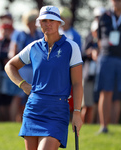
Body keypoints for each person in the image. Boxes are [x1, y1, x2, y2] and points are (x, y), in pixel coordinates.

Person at [5, 5, 83, 149]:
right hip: (34, 109)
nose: (48, 24)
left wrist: (77, 112)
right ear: (39, 23)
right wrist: (23, 84)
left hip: (57, 111)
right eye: (44, 20)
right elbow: (10, 66)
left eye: (52, 20)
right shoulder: (33, 47)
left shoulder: (71, 47)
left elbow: (78, 83)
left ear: (59, 23)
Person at [8, 8, 43, 122]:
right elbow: (13, 52)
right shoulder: (20, 34)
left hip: (34, 70)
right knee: (18, 96)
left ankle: (27, 120)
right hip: (22, 69)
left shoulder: (39, 34)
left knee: (31, 97)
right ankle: (14, 120)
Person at [94, 0, 121, 133]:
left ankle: (116, 126)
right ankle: (103, 126)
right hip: (106, 58)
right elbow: (99, 39)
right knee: (106, 91)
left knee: (118, 95)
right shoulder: (104, 16)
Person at [0, 12, 15, 121]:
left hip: (9, 74)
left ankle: (9, 120)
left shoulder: (13, 41)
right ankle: (2, 119)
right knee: (0, 99)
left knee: (9, 99)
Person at [81, 19, 99, 124]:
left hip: (96, 76)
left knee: (92, 105)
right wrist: (90, 52)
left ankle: (90, 124)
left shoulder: (101, 41)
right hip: (88, 76)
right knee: (86, 105)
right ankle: (83, 125)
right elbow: (82, 54)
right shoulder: (88, 41)